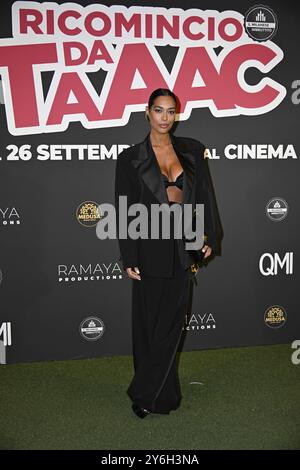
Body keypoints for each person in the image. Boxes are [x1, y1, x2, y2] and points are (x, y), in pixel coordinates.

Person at [114, 88, 221, 418]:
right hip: (149, 244)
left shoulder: (191, 151)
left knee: (172, 324)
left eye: (170, 111)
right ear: (147, 112)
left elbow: (204, 196)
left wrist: (209, 236)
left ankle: (146, 392)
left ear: (177, 114)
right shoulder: (130, 158)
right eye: (158, 110)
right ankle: (157, 394)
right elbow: (125, 210)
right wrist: (129, 256)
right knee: (149, 325)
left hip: (183, 244)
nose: (164, 117)